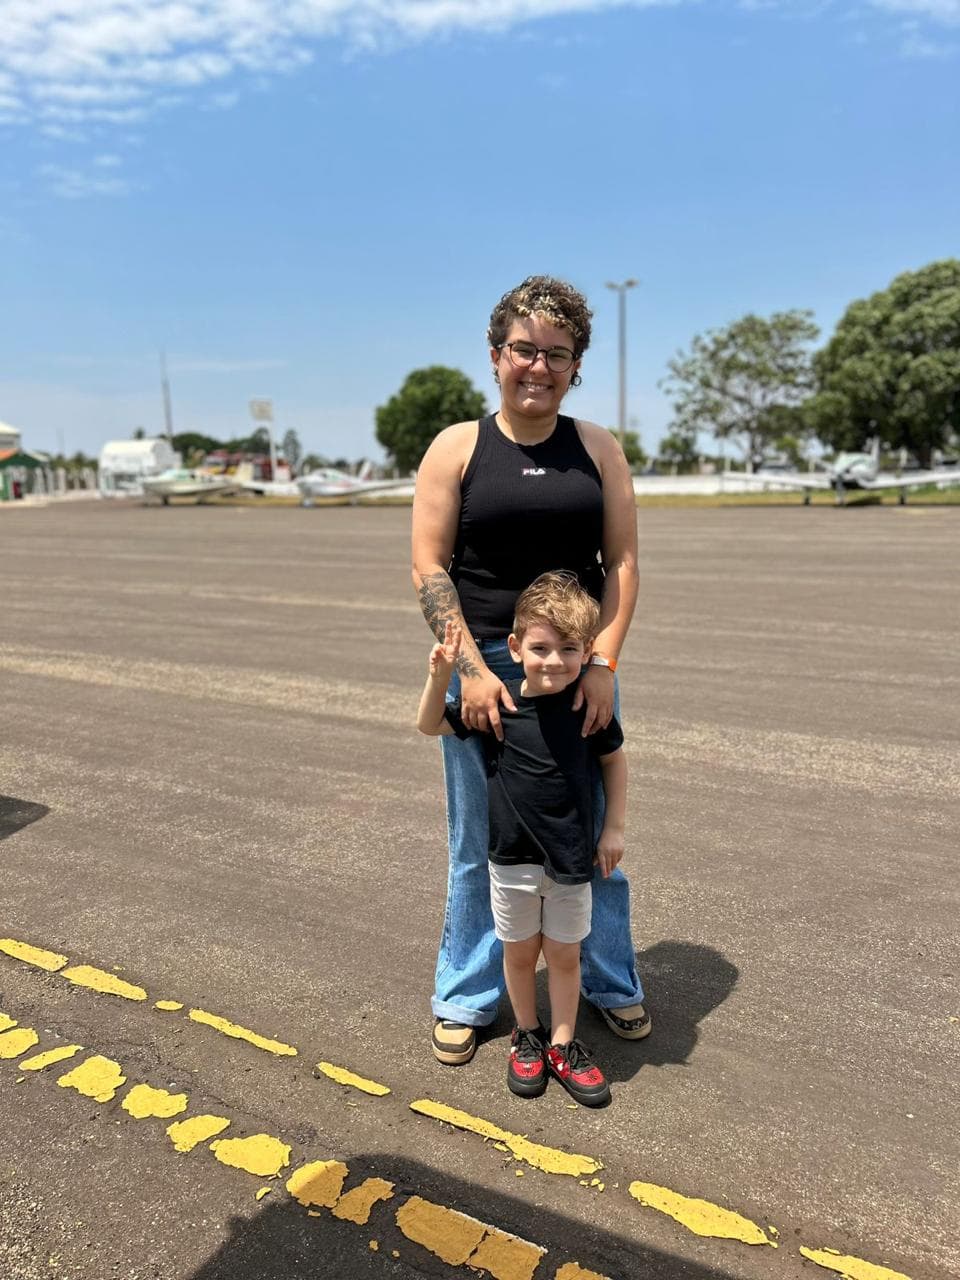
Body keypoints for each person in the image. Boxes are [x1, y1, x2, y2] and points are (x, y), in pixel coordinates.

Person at [411, 274, 650, 1066]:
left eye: (557, 353)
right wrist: (472, 671)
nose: (538, 367)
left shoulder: (598, 449)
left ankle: (609, 982)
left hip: (577, 668)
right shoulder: (456, 448)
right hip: (484, 666)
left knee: (589, 836)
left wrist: (603, 662)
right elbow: (429, 567)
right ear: (496, 355)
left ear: (575, 365)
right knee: (481, 840)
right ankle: (467, 994)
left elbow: (622, 563)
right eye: (524, 349)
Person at [417, 574, 626, 1105]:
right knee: (518, 954)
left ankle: (563, 1044)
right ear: (515, 648)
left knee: (564, 955)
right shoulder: (499, 707)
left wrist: (614, 828)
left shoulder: (586, 708)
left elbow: (614, 761)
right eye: (540, 648)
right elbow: (429, 725)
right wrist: (440, 676)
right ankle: (527, 1035)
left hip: (571, 861)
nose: (554, 661)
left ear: (587, 651)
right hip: (511, 861)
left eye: (569, 649)